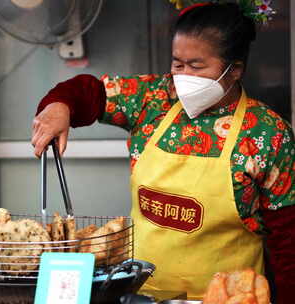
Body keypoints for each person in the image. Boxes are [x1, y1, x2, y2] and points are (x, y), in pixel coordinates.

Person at [31, 2, 294, 302]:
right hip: (139, 295)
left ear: (234, 70)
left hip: (228, 297)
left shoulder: (267, 132)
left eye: (196, 66)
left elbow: (288, 239)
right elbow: (90, 92)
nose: (183, 75)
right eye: (177, 63)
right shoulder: (153, 100)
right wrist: (59, 106)